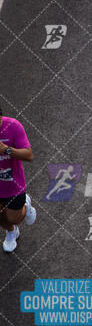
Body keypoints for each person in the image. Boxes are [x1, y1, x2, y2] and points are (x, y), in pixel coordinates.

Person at [0, 107, 36, 253]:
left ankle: (25, 205)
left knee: (14, 217)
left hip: (12, 185)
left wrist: (7, 150)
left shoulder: (13, 126)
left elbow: (29, 155)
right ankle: (11, 231)